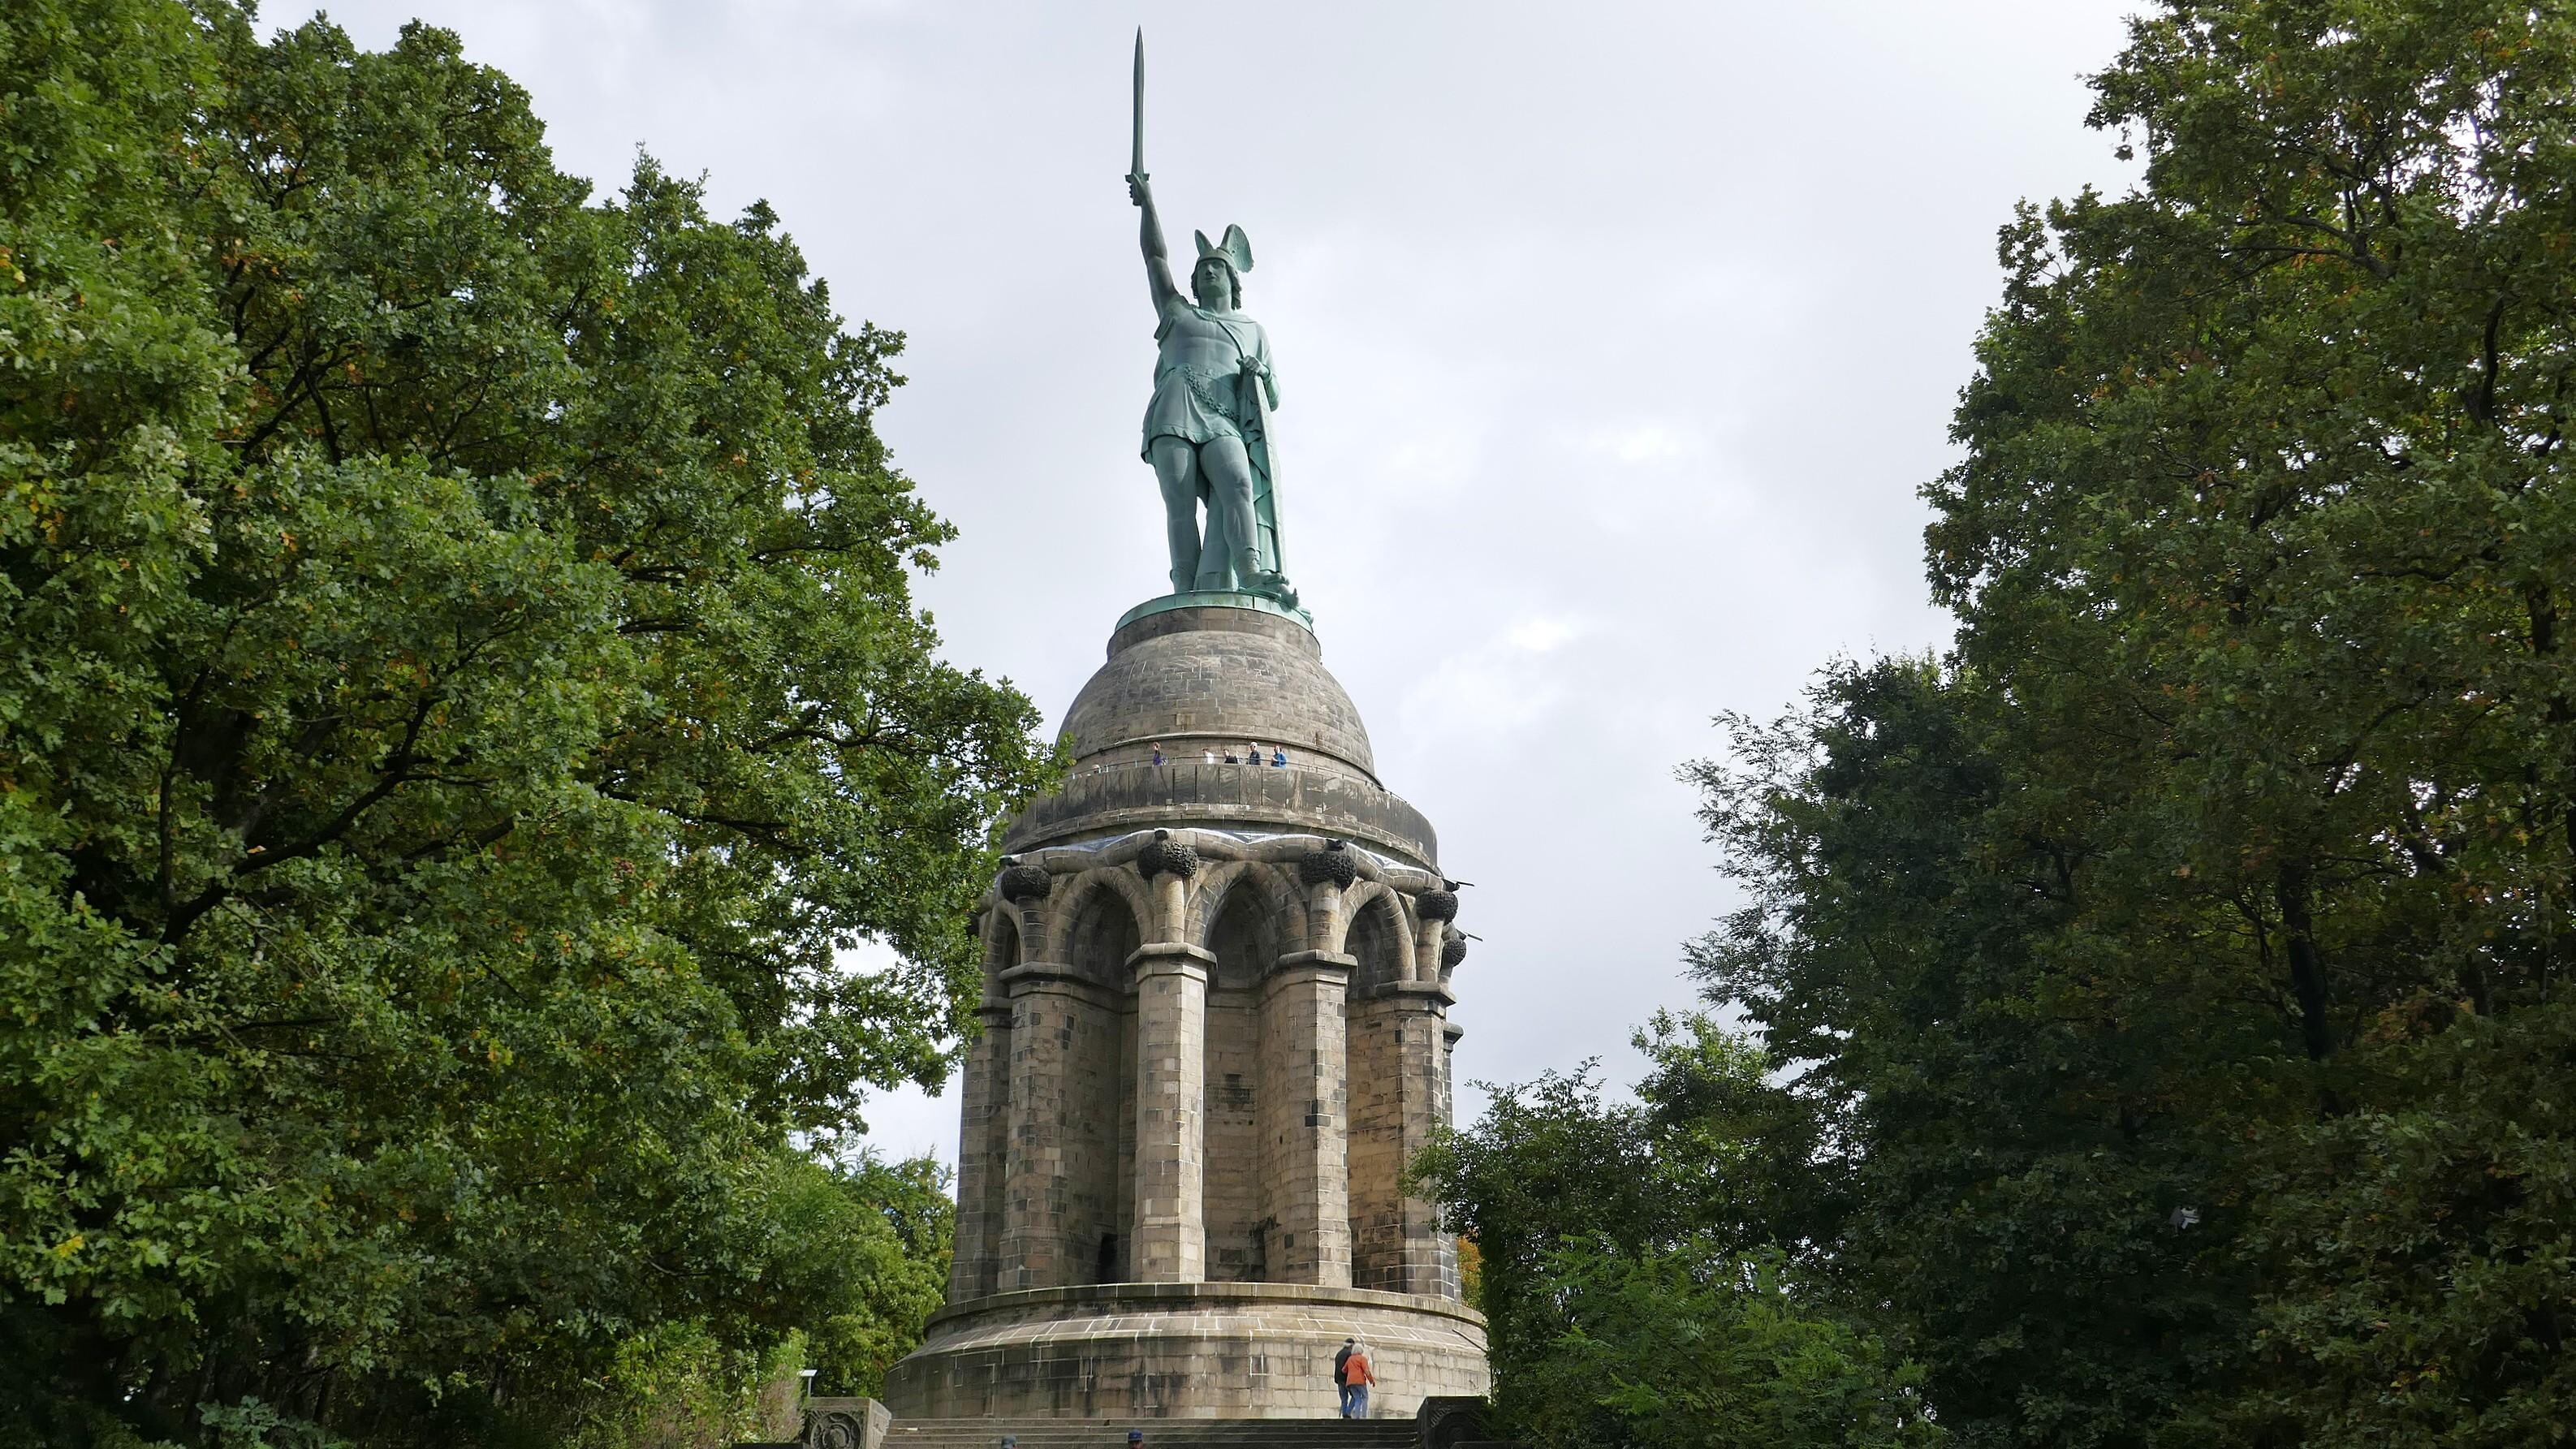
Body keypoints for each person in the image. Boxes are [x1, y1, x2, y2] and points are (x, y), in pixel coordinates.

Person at [1343, 1340, 1374, 1419]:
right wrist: (1371, 1381)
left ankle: (1356, 1416)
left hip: (1350, 1382)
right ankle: (1363, 1416)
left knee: (1357, 1398)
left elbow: (1344, 1370)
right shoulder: (1362, 1359)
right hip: (1360, 1381)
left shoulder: (1350, 1359)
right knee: (1365, 1397)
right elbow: (1366, 1371)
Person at [1332, 1336, 1356, 1417]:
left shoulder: (1339, 1353)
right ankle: (1348, 1413)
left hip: (1338, 1379)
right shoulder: (1349, 1354)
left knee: (1344, 1399)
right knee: (1355, 1396)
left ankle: (1344, 1413)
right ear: (1351, 1346)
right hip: (1346, 1378)